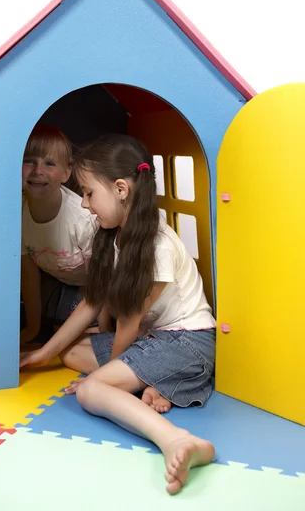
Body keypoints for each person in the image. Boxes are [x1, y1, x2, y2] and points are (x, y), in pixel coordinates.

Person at [20, 133, 216, 494]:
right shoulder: (115, 236)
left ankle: (176, 440)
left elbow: (129, 320)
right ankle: (154, 384)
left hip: (188, 344)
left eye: (89, 193)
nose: (84, 204)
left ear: (121, 189)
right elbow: (93, 303)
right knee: (71, 352)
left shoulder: (155, 245)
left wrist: (108, 376)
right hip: (154, 338)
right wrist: (44, 352)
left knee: (90, 392)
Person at [20, 124, 98, 345]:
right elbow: (29, 273)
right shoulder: (16, 214)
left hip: (98, 283)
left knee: (62, 330)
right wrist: (32, 327)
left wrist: (106, 324)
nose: (37, 170)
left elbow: (101, 281)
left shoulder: (81, 218)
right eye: (29, 161)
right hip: (58, 280)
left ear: (66, 173)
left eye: (49, 163)